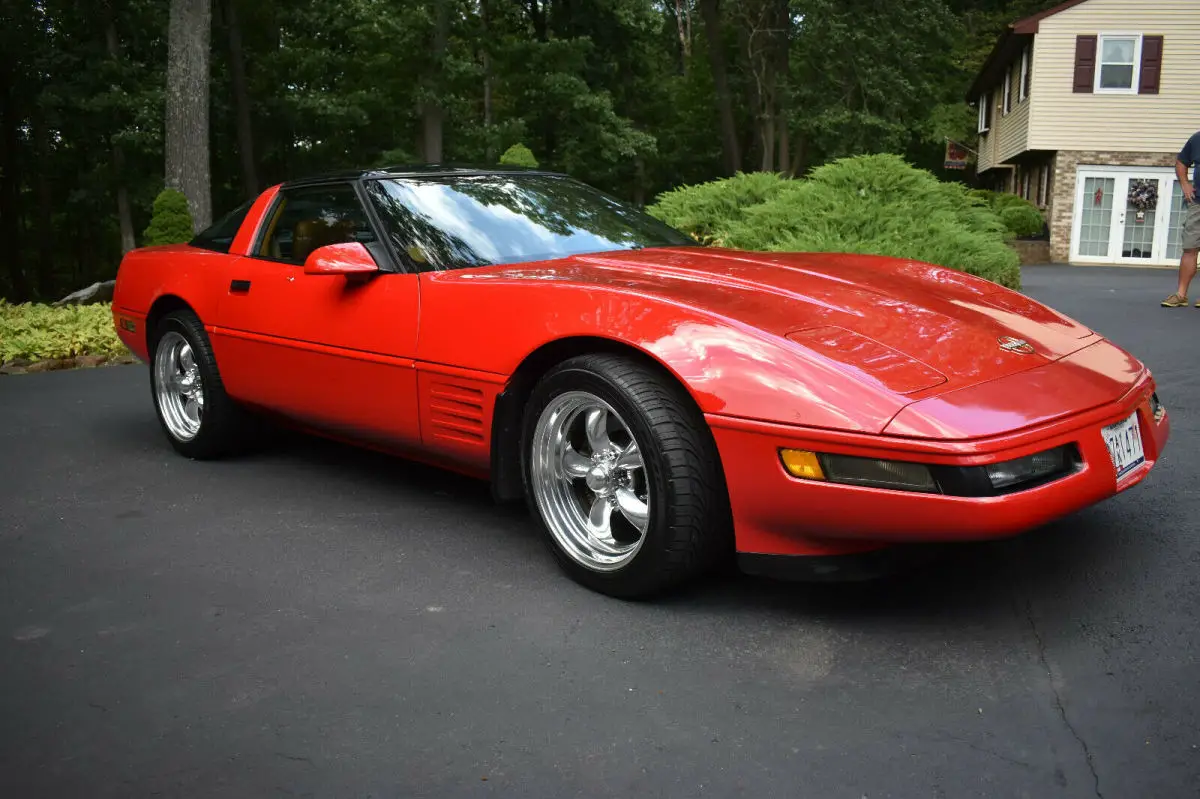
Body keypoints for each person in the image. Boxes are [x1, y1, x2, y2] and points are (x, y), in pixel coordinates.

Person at [1162, 130, 1200, 307]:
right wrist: (1185, 184)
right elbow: (1181, 162)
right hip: (1198, 204)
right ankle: (1181, 295)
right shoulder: (1197, 138)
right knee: (1190, 248)